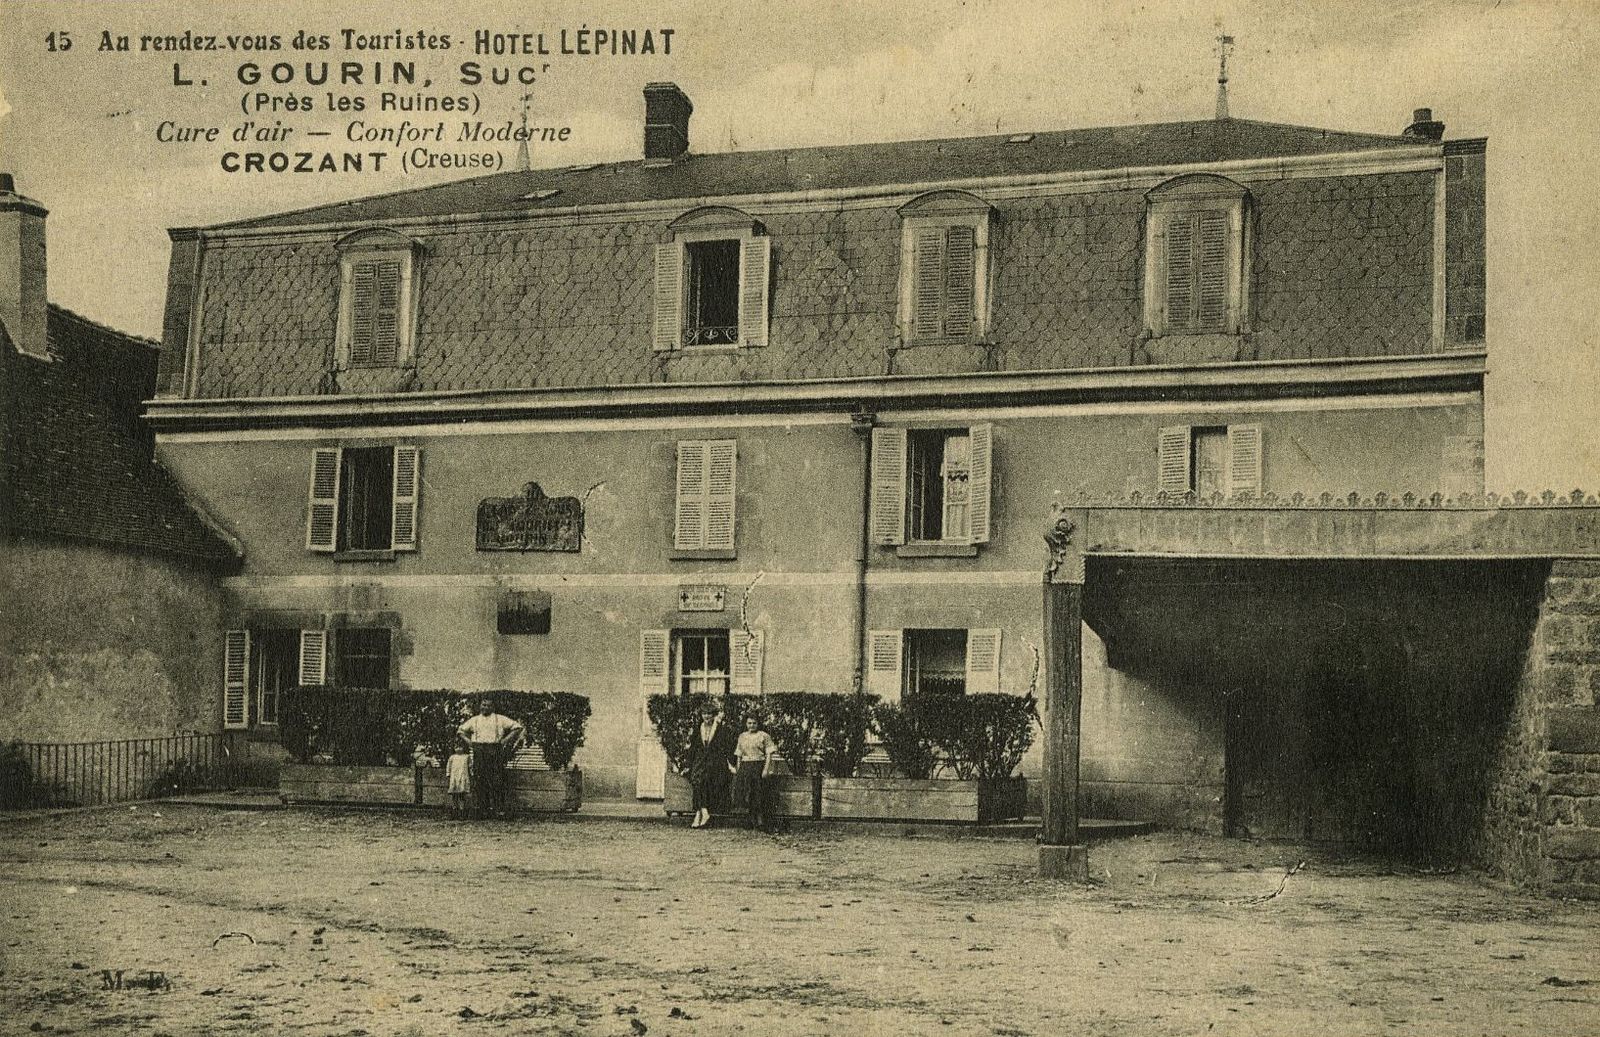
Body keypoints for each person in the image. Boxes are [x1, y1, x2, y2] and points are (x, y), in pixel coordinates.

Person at [456, 698, 525, 818]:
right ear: (480, 706)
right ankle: (483, 810)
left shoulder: (500, 719)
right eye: (483, 705)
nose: (485, 707)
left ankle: (498, 809)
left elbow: (517, 727)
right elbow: (460, 730)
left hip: (494, 750)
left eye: (488, 705)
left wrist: (504, 741)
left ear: (492, 707)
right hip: (479, 750)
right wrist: (469, 742)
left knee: (496, 779)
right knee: (480, 780)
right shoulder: (475, 720)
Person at [687, 701, 736, 829]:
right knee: (697, 780)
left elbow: (727, 748)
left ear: (714, 715)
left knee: (703, 780)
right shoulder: (698, 728)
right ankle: (703, 811)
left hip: (716, 762)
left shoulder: (722, 729)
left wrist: (731, 764)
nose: (706, 716)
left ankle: (699, 814)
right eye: (704, 714)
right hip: (700, 761)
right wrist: (688, 764)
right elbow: (693, 747)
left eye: (709, 714)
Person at [732, 713, 779, 831]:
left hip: (758, 765)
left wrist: (766, 769)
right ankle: (750, 820)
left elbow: (769, 754)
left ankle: (760, 821)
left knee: (759, 793)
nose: (751, 725)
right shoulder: (742, 736)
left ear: (758, 724)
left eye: (754, 723)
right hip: (745, 766)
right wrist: (738, 769)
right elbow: (739, 754)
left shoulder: (764, 736)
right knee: (747, 793)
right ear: (746, 724)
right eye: (749, 723)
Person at [445, 738, 472, 818]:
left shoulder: (467, 757)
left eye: (461, 747)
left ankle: (462, 812)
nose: (458, 749)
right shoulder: (452, 757)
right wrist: (448, 774)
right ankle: (454, 812)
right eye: (456, 747)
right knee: (454, 795)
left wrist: (471, 774)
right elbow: (448, 767)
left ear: (464, 747)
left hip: (463, 777)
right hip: (454, 778)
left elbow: (470, 767)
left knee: (461, 795)